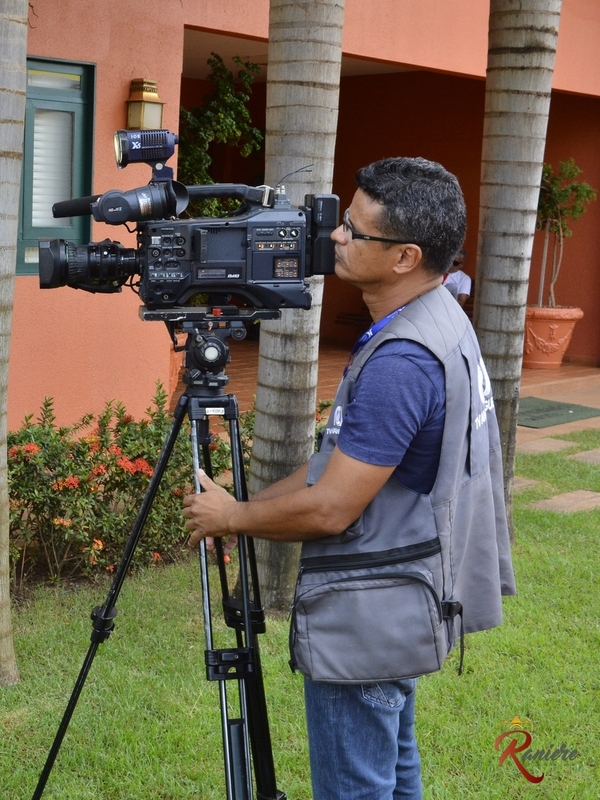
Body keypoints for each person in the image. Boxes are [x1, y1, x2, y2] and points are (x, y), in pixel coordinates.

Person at [182, 157, 515, 799]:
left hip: (368, 613)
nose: (335, 235)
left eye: (355, 231)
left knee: (358, 788)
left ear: (403, 257)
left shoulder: (403, 361)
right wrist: (248, 500)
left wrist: (232, 519)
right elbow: (336, 469)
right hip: (400, 602)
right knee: (393, 777)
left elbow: (333, 506)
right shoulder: (442, 320)